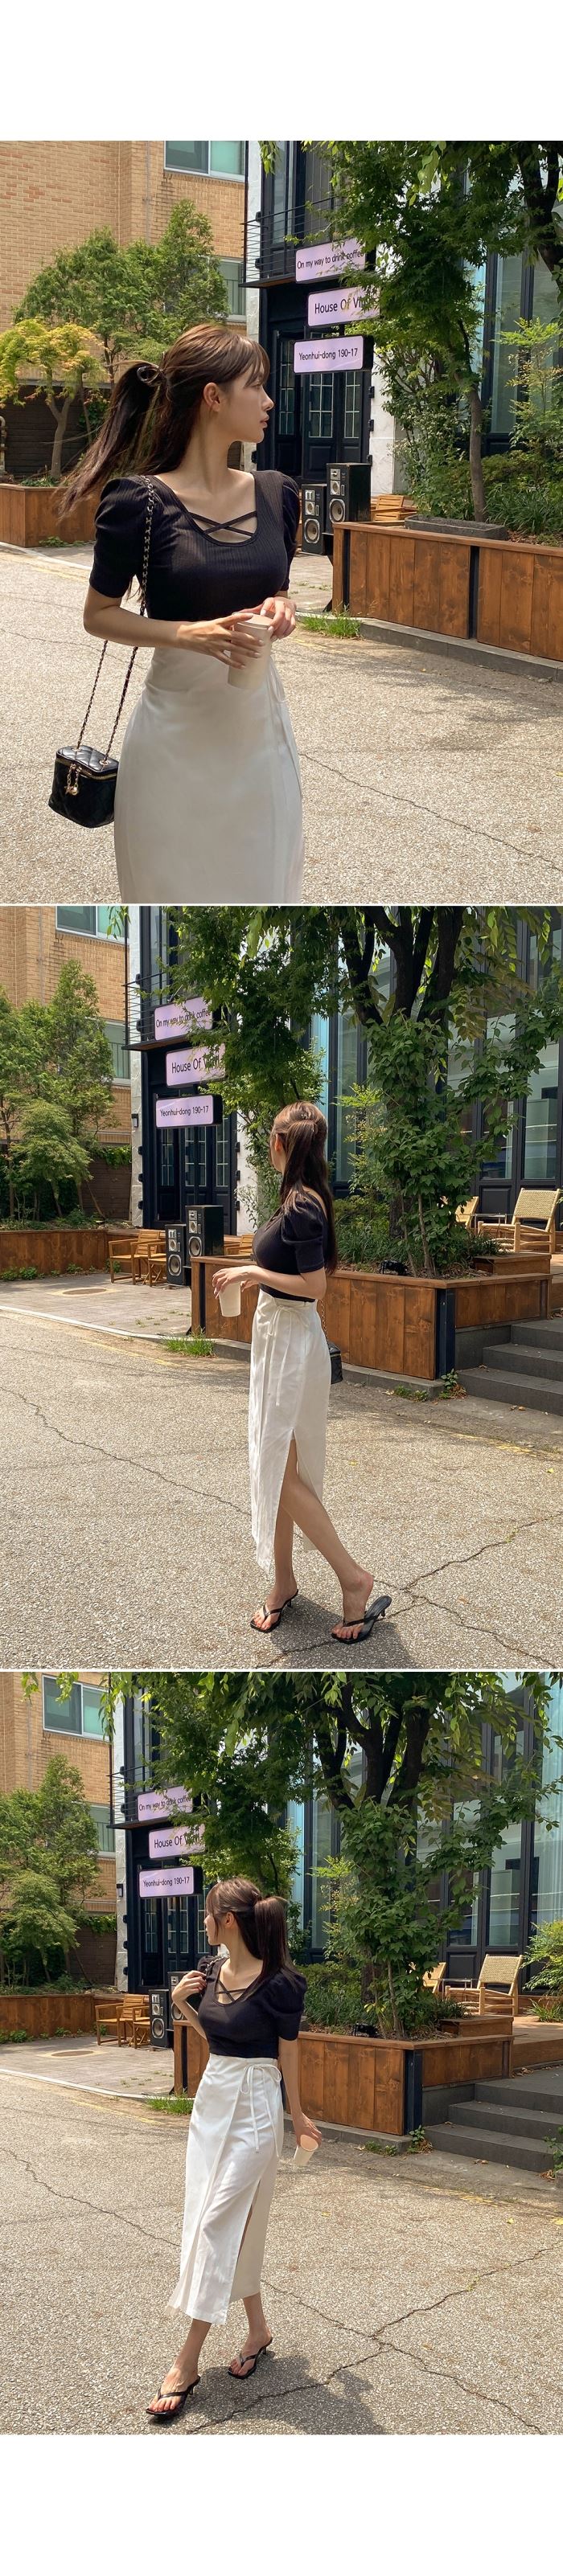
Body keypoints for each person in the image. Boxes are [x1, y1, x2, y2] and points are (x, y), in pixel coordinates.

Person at [60, 326, 302, 902]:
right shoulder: (138, 502)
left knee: (263, 886)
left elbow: (279, 588)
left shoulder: (278, 493)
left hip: (259, 738)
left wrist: (283, 607)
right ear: (214, 397)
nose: (269, 401)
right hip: (171, 742)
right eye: (256, 386)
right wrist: (186, 634)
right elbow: (98, 615)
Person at [212, 1100, 390, 1644]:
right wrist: (257, 1276)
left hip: (290, 1342)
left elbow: (315, 1287)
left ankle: (353, 1578)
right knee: (280, 1464)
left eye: (272, 1135)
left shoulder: (303, 1205)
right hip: (281, 1337)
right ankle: (284, 1581)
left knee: (278, 1469)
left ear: (285, 1144)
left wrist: (251, 1269)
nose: (268, 1143)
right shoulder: (298, 1197)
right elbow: (294, 1274)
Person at [147, 1878, 317, 2420]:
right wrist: (182, 2005)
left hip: (257, 2107)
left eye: (208, 1913)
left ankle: (187, 2359)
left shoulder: (281, 1983)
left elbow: (287, 2055)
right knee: (220, 2218)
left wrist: (298, 2115)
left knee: (217, 2222)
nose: (204, 1921)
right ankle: (258, 2329)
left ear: (229, 1919)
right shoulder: (209, 1970)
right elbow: (218, 2039)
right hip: (213, 2101)